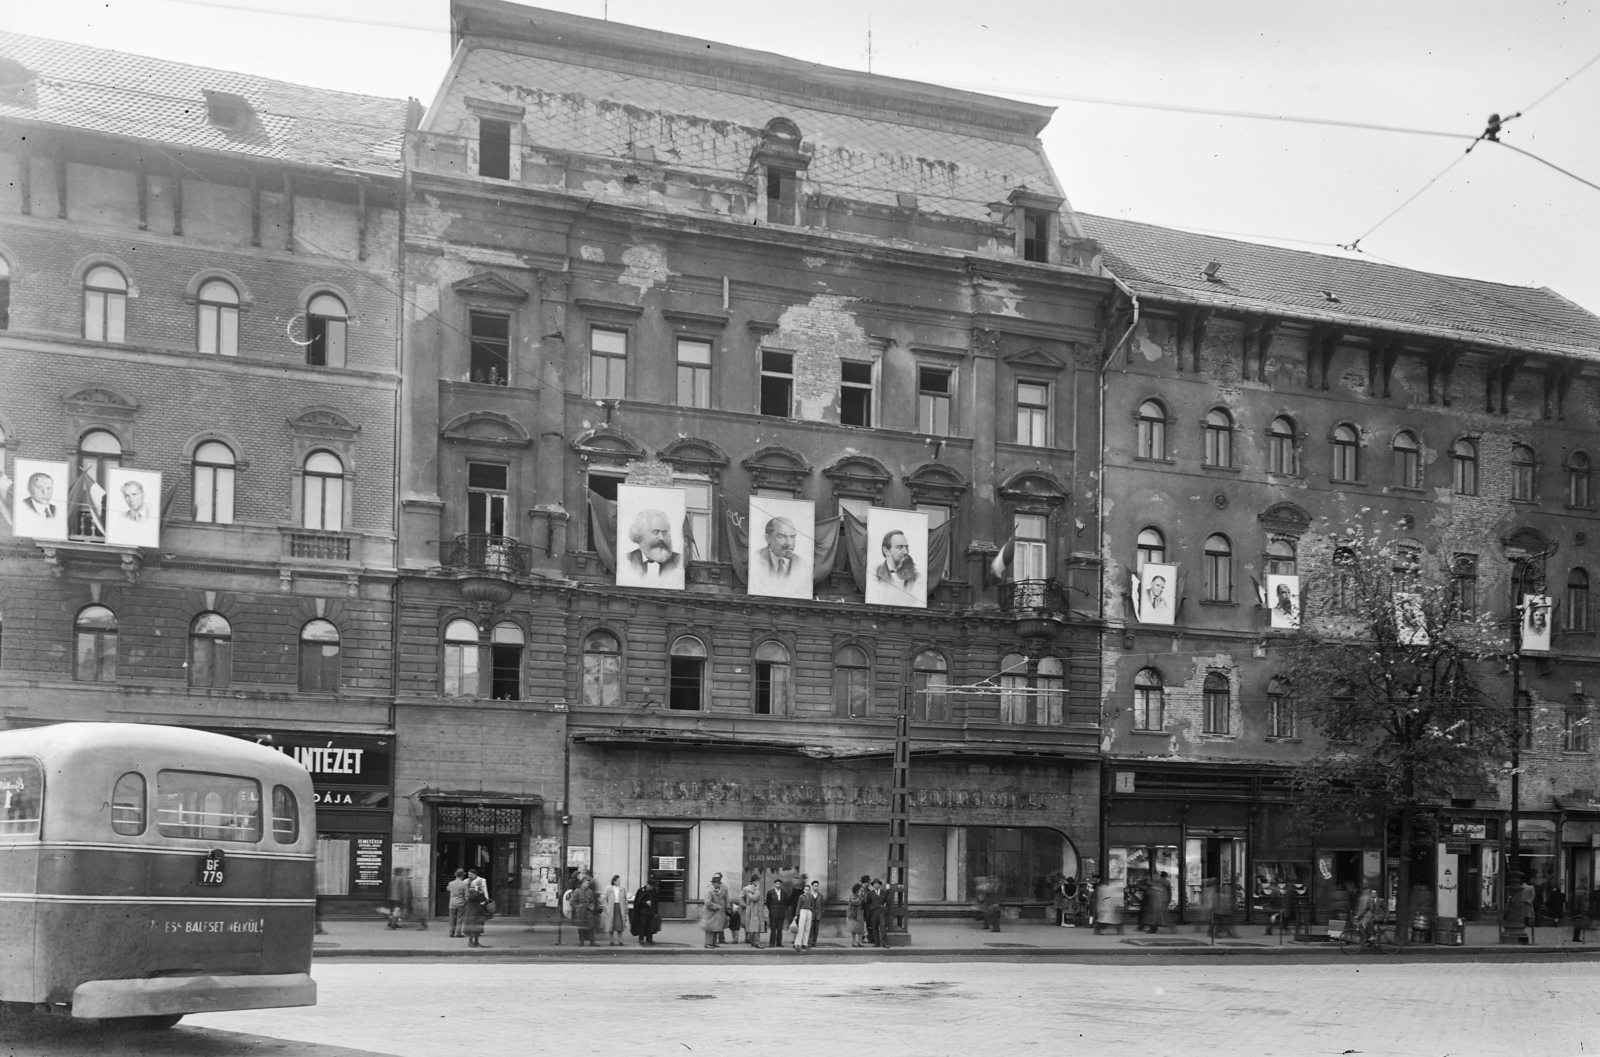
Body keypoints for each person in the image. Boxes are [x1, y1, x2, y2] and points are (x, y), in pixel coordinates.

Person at [625, 508, 682, 578]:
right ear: (640, 535)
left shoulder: (678, 561)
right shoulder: (627, 560)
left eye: (664, 533)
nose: (661, 538)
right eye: (656, 532)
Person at [700, 872, 730, 949]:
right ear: (714, 883)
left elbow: (726, 898)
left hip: (716, 912)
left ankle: (713, 943)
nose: (719, 885)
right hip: (710, 912)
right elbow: (708, 902)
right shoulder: (709, 891)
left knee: (715, 927)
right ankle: (708, 943)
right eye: (718, 883)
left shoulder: (714, 890)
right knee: (710, 928)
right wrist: (716, 906)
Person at [463, 868, 491, 947]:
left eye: (471, 874)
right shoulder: (467, 883)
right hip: (472, 908)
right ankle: (470, 941)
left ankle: (476, 941)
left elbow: (484, 894)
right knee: (472, 924)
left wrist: (485, 900)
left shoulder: (481, 883)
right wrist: (476, 891)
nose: (469, 876)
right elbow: (470, 897)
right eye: (468, 874)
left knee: (478, 925)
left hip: (479, 908)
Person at [630, 880, 661, 946]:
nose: (651, 888)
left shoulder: (654, 891)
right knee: (642, 925)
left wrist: (656, 912)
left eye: (652, 886)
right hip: (643, 912)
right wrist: (645, 902)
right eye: (650, 886)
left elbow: (656, 902)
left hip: (651, 911)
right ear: (648, 885)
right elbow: (637, 901)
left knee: (650, 925)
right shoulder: (641, 891)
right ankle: (641, 938)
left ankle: (649, 939)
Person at [571, 876, 600, 946]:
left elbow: (592, 901)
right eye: (586, 883)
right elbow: (572, 902)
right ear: (582, 883)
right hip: (581, 912)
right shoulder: (577, 891)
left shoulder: (589, 891)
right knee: (581, 926)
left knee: (590, 926)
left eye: (588, 883)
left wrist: (591, 907)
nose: (588, 884)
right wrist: (577, 907)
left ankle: (592, 942)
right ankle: (581, 942)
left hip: (588, 911)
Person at [742, 874, 767, 948]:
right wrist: (746, 905)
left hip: (757, 910)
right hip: (753, 910)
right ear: (753, 881)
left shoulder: (756, 888)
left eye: (758, 880)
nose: (758, 882)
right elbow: (754, 898)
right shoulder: (749, 889)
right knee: (755, 927)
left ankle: (753, 942)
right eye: (757, 880)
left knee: (755, 926)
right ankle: (756, 943)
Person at [794, 879, 820, 951]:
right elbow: (798, 906)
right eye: (805, 890)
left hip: (809, 912)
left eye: (808, 890)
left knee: (807, 928)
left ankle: (805, 943)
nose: (807, 891)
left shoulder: (811, 896)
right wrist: (796, 915)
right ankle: (797, 943)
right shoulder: (801, 896)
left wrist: (811, 910)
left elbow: (812, 904)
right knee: (801, 928)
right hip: (803, 911)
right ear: (803, 890)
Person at [604, 874, 629, 946]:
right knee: (611, 925)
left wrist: (626, 908)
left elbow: (625, 899)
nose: (619, 882)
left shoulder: (623, 889)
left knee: (620, 925)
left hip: (620, 908)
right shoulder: (608, 888)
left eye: (619, 880)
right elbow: (604, 898)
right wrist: (607, 907)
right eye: (618, 880)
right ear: (614, 881)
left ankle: (620, 941)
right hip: (611, 908)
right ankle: (611, 941)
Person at [765, 878, 789, 949]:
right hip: (773, 912)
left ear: (781, 885)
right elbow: (768, 903)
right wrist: (772, 909)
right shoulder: (770, 892)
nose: (778, 885)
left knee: (780, 929)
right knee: (773, 928)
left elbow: (786, 902)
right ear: (774, 884)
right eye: (777, 883)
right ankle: (772, 943)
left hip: (781, 913)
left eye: (779, 884)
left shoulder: (784, 892)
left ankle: (779, 942)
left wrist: (783, 910)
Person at [446, 868, 469, 938]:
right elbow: (467, 895)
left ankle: (451, 933)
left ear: (455, 875)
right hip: (461, 903)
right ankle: (458, 933)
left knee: (452, 919)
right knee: (460, 918)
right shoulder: (464, 884)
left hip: (452, 903)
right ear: (462, 876)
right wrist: (466, 901)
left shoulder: (451, 883)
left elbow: (447, 889)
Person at [871, 879, 891, 946]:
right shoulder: (871, 893)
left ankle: (884, 943)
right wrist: (871, 909)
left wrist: (886, 910)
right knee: (875, 927)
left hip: (882, 912)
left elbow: (888, 903)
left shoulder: (884, 893)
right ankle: (876, 943)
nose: (876, 885)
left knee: (883, 927)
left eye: (877, 884)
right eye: (874, 884)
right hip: (874, 912)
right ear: (873, 885)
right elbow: (868, 903)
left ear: (880, 885)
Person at [847, 882, 867, 947]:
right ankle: (854, 942)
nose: (861, 891)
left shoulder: (862, 896)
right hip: (853, 915)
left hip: (860, 914)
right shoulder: (852, 896)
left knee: (860, 929)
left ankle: (860, 942)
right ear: (857, 890)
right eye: (860, 890)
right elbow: (855, 902)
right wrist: (859, 897)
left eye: (862, 890)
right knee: (853, 929)